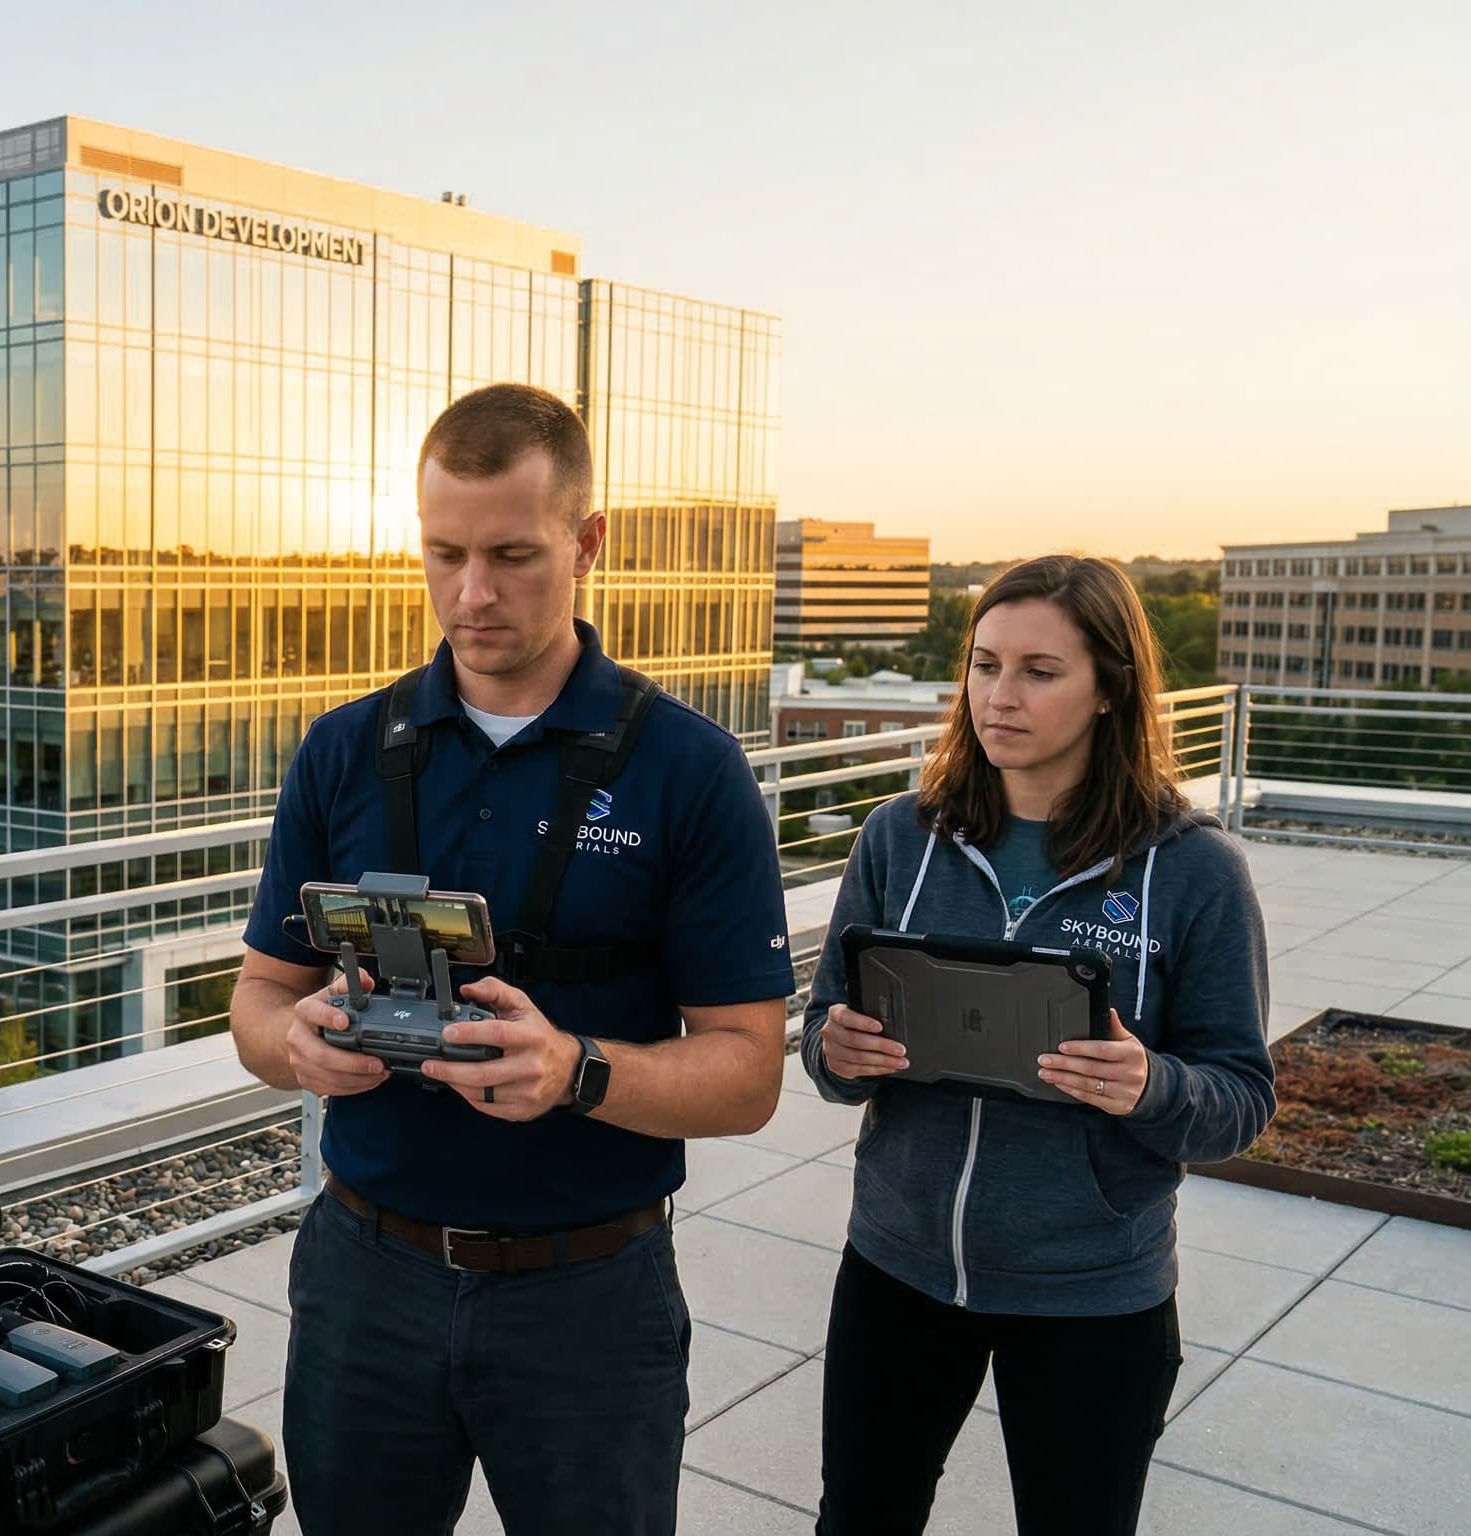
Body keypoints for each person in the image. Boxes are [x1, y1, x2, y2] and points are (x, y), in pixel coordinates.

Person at [233, 383, 798, 1536]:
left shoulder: (689, 770)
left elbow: (747, 1074)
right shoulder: (342, 749)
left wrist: (576, 1071)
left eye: (510, 555)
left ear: (588, 543)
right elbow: (258, 998)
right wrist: (293, 1046)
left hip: (587, 1299)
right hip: (362, 1278)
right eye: (443, 554)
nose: (470, 595)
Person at [800, 554, 1276, 1534]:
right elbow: (823, 1034)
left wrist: (1149, 1085)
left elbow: (1240, 1099)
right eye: (984, 665)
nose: (998, 696)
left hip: (1091, 1294)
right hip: (896, 1267)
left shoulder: (1193, 873)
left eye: (1038, 671)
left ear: (1109, 689)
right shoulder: (899, 838)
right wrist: (836, 1055)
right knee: (859, 1518)